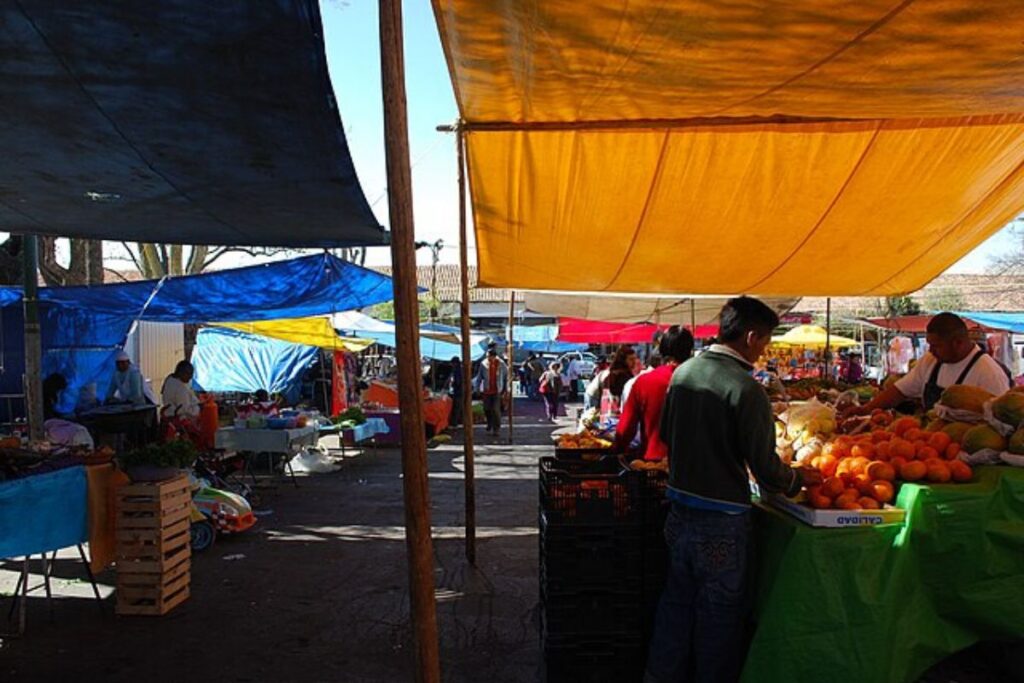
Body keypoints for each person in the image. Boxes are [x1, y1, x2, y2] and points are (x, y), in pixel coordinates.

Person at [645, 297, 821, 682]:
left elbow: (666, 435)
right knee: (719, 617)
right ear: (751, 336)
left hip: (678, 513)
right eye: (765, 342)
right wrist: (798, 478)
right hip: (721, 520)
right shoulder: (746, 389)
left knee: (675, 606)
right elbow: (766, 469)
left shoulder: (683, 373)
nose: (765, 350)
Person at [843, 313, 1011, 416]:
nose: (931, 350)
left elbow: (1000, 421)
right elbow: (900, 390)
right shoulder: (931, 360)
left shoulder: (989, 373)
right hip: (928, 446)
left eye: (936, 345)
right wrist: (867, 409)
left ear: (958, 343)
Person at [616, 327, 693, 461]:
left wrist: (618, 450)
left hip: (653, 465)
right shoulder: (702, 381)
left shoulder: (644, 382)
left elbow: (625, 430)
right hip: (694, 467)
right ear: (690, 351)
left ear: (661, 351)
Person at [474, 344, 508, 435]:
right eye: (487, 357)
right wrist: (477, 388)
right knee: (486, 409)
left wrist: (506, 389)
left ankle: (496, 428)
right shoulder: (483, 363)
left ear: (494, 356)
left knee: (496, 410)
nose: (488, 359)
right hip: (486, 390)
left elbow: (506, 376)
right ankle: (489, 423)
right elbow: (479, 377)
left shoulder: (501, 364)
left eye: (490, 357)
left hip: (497, 390)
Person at [448, 357, 463, 427]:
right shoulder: (460, 369)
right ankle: (458, 421)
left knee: (456, 408)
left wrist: (452, 383)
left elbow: (458, 382)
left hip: (458, 391)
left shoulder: (457, 371)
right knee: (459, 407)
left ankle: (454, 423)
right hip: (460, 391)